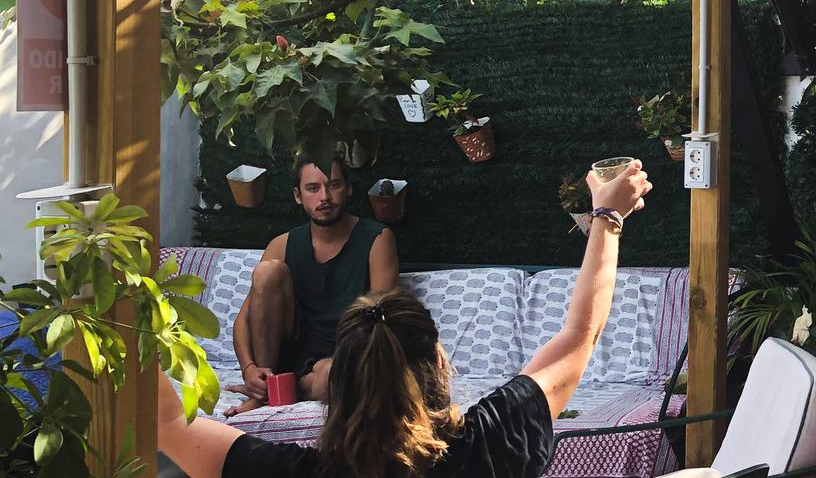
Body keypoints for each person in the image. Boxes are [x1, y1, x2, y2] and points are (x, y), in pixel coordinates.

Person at [158, 159, 652, 478]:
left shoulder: (285, 470)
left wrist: (122, 291)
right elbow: (579, 335)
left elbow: (166, 422)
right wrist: (607, 219)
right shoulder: (490, 443)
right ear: (439, 363)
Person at [224, 152, 399, 416]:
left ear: (349, 188)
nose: (324, 197)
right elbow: (242, 322)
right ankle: (267, 388)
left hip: (339, 360)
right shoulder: (281, 245)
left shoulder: (377, 239)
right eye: (313, 188)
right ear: (298, 196)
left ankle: (282, 392)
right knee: (267, 271)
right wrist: (249, 370)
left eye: (334, 185)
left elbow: (380, 318)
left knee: (336, 376)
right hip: (283, 359)